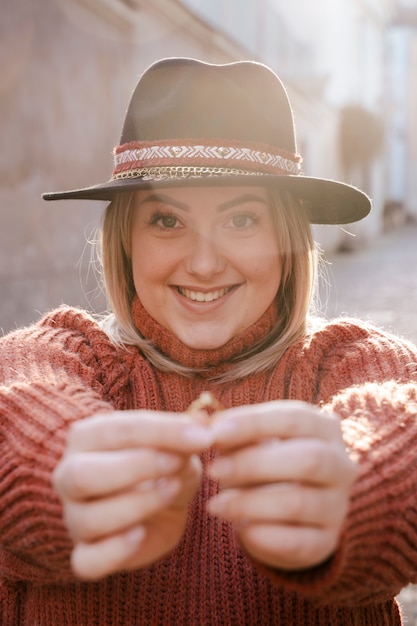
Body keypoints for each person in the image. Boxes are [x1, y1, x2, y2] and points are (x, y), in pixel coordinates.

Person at [1, 57, 416, 626]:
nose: (202, 262)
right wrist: (56, 474)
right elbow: (22, 396)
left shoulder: (340, 364)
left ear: (286, 240)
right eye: (167, 221)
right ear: (126, 240)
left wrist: (362, 482)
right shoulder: (73, 354)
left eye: (241, 220)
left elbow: (403, 417)